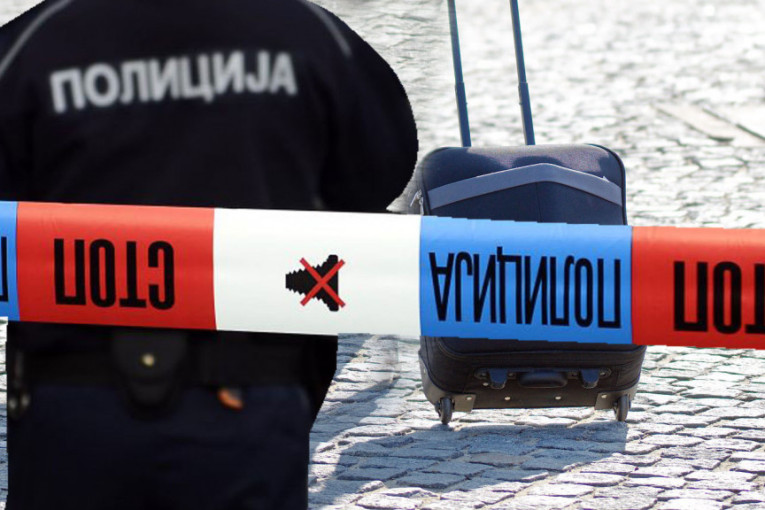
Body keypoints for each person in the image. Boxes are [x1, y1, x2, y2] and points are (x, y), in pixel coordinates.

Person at [0, 0, 417, 508]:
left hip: (74, 400)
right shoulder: (306, 34)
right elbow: (376, 174)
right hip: (250, 396)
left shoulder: (41, 39)